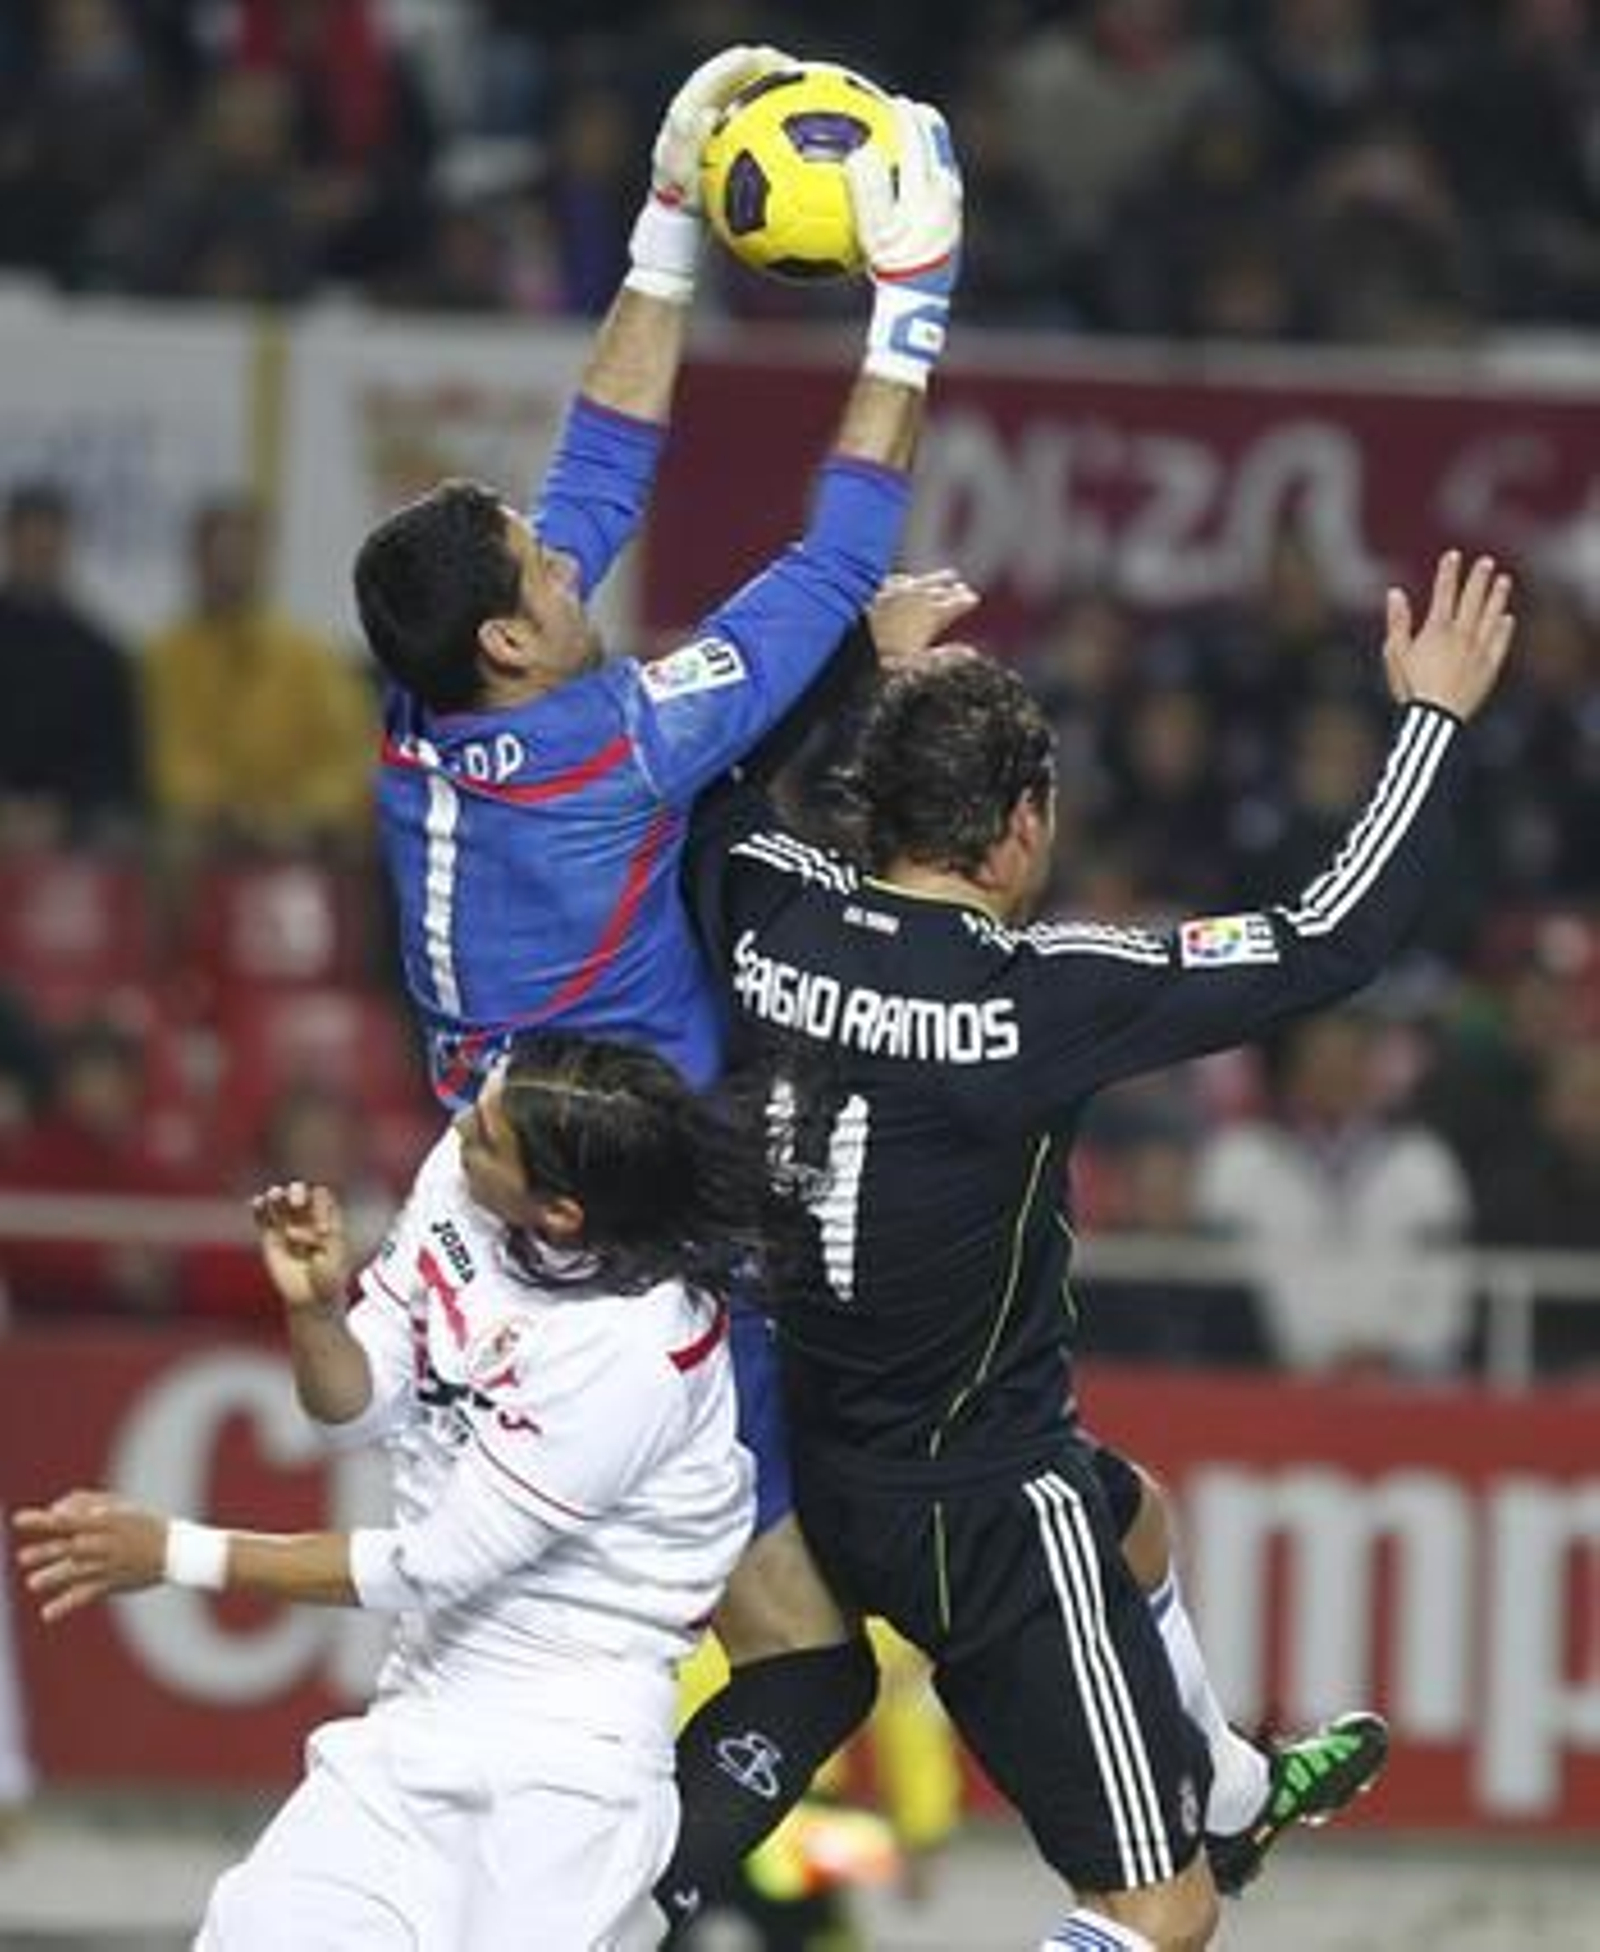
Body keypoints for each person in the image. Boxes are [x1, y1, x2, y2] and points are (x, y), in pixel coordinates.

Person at [346, 44, 964, 1933]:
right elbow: (844, 549)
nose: (563, 544)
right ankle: (641, 1901)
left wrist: (670, 228)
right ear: (520, 637)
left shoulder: (426, 718)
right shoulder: (617, 744)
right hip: (652, 1247)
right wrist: (914, 308)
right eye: (541, 564)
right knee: (807, 1656)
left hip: (492, 1210)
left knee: (537, 1641)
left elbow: (597, 468)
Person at [688, 551, 1516, 1952]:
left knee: (1137, 1520)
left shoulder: (771, 910)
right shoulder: (1037, 998)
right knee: (1160, 1917)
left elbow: (707, 787)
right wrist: (1430, 718)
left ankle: (1237, 1787)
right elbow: (1329, 941)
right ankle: (1215, 1835)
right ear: (1021, 827)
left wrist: (858, 672)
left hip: (821, 1465)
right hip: (990, 1514)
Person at [16, 1029, 764, 1950]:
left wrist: (173, 1551)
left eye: (490, 1135)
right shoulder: (459, 1172)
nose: (462, 1129)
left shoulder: (636, 1352)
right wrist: (315, 1312)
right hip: (420, 1712)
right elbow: (357, 1406)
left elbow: (433, 1565)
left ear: (561, 1213)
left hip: (569, 1767)